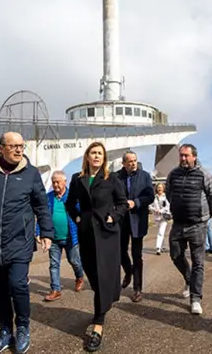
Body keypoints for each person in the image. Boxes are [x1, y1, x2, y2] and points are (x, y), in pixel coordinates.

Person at [0, 132, 54, 354]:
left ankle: (23, 327)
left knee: (17, 285)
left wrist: (47, 232)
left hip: (19, 241)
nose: (18, 150)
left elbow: (41, 206)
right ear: (1, 147)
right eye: (13, 146)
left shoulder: (31, 174)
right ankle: (5, 331)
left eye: (21, 146)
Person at [64, 141, 129, 352]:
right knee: (93, 275)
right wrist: (77, 218)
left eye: (100, 153)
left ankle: (98, 325)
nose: (96, 156)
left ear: (104, 157)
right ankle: (104, 302)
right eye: (93, 153)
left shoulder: (112, 178)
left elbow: (122, 203)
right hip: (86, 235)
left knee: (103, 277)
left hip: (107, 234)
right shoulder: (77, 179)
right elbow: (69, 203)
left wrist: (113, 217)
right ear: (87, 156)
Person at [164, 143, 212, 315]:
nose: (183, 158)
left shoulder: (204, 174)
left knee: (198, 262)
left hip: (197, 225)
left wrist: (205, 216)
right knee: (175, 254)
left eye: (186, 155)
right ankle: (189, 280)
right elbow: (168, 193)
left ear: (194, 156)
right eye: (181, 155)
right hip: (179, 223)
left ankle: (195, 298)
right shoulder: (173, 174)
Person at [36, 170, 85, 301]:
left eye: (58, 181)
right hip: (53, 238)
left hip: (71, 238)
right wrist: (38, 231)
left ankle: (79, 276)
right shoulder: (48, 197)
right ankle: (55, 290)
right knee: (54, 264)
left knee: (74, 261)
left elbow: (81, 213)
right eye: (53, 182)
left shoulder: (72, 196)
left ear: (65, 182)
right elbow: (43, 215)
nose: (55, 184)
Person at [116, 150, 155, 303]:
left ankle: (137, 288)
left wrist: (136, 202)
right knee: (120, 251)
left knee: (137, 255)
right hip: (121, 220)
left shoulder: (144, 176)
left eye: (135, 160)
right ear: (123, 163)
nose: (133, 163)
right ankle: (128, 271)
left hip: (138, 220)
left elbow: (150, 196)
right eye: (129, 161)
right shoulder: (116, 176)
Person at [148, 183, 171, 255]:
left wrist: (161, 211)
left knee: (161, 232)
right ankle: (163, 246)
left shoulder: (166, 197)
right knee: (161, 232)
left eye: (161, 187)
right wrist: (154, 210)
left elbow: (168, 207)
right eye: (158, 187)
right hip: (157, 217)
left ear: (163, 188)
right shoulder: (154, 197)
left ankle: (158, 248)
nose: (160, 189)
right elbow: (150, 206)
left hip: (164, 217)